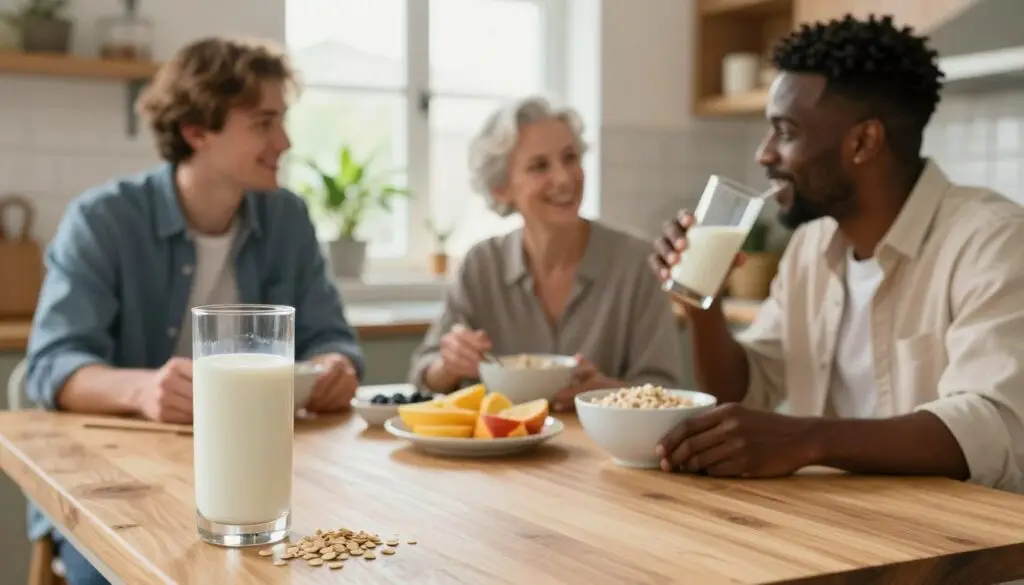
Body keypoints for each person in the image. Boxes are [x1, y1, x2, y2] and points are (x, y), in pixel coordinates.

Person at [23, 37, 365, 585]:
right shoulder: (103, 220)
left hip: (260, 479)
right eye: (263, 123)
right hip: (121, 488)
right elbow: (53, 365)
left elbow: (332, 337)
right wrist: (142, 391)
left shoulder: (288, 220)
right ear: (196, 131)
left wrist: (334, 367)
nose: (284, 141)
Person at [649, 13, 1024, 492]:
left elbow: (992, 428)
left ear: (863, 142)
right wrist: (704, 307)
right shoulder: (810, 248)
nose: (764, 154)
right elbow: (741, 392)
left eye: (784, 131)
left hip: (955, 556)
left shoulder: (993, 242)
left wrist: (807, 438)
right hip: (838, 532)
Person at [408, 96, 685, 409]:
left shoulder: (637, 263)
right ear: (501, 187)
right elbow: (423, 377)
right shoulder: (481, 265)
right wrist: (448, 365)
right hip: (499, 451)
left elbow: (667, 390)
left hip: (605, 452)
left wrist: (608, 394)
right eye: (540, 166)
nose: (564, 178)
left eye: (570, 158)